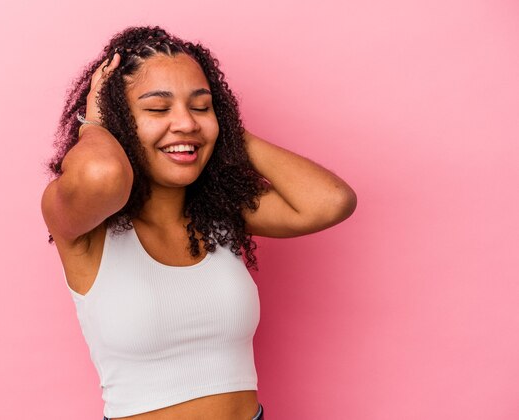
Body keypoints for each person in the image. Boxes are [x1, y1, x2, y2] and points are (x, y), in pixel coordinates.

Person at [41, 26, 356, 420]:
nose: (186, 123)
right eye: (158, 109)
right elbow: (103, 174)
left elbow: (332, 201)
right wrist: (96, 123)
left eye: (202, 106)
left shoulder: (220, 214)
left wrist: (222, 131)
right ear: (119, 121)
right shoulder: (85, 228)